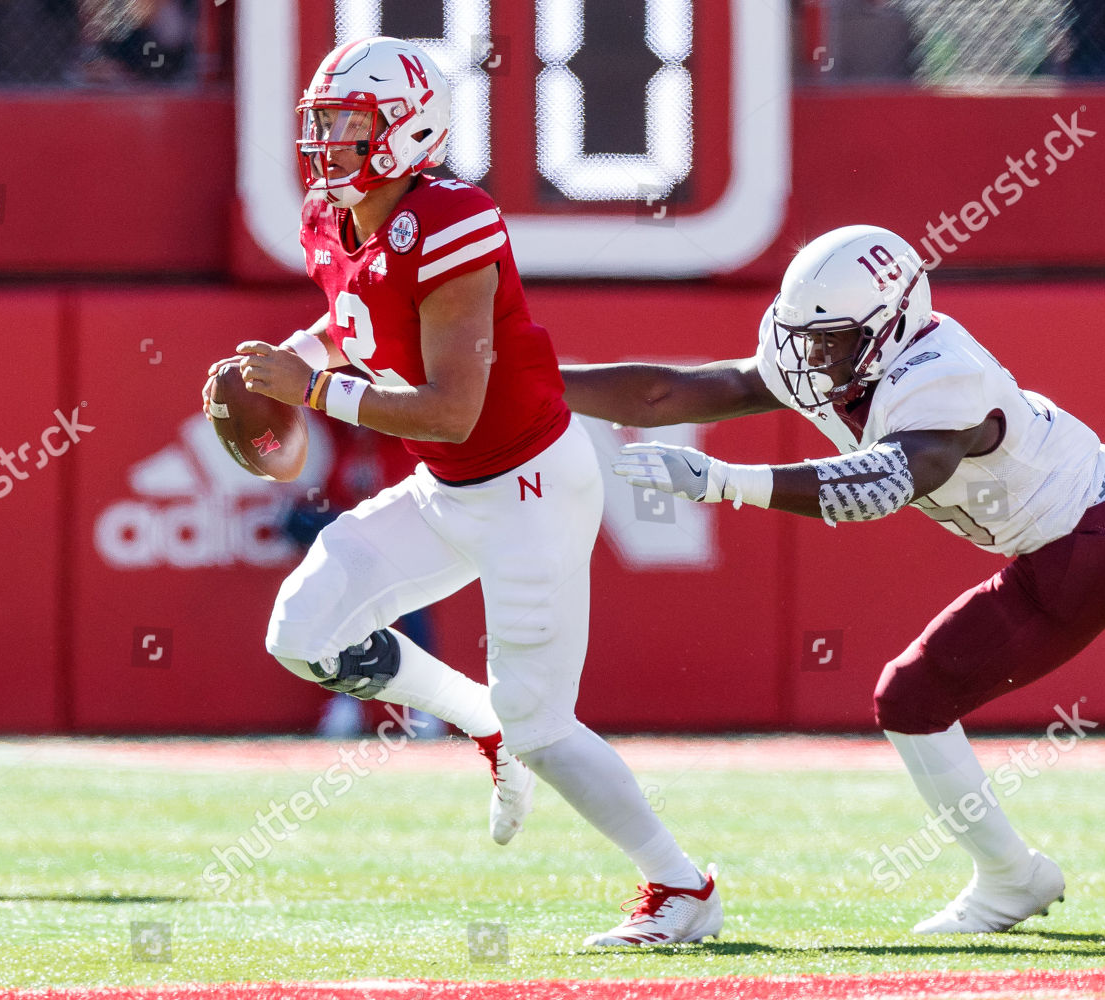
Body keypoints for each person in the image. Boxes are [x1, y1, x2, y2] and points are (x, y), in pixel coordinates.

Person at [560, 224, 1105, 933]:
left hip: (1086, 542)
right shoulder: (843, 348)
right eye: (802, 332)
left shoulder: (940, 375)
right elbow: (675, 391)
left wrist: (726, 484)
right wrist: (538, 387)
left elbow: (887, 484)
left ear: (888, 328)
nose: (804, 353)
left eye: (827, 339)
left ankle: (1010, 877)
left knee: (911, 700)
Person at [201, 36, 720, 947]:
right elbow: (354, 318)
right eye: (322, 123)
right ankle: (476, 718)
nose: (327, 144)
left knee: (544, 725)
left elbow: (450, 410)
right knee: (301, 629)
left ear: (406, 128)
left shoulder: (452, 220)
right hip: (451, 489)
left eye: (348, 124)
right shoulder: (334, 218)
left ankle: (683, 887)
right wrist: (300, 357)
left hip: (528, 487)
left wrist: (311, 389)